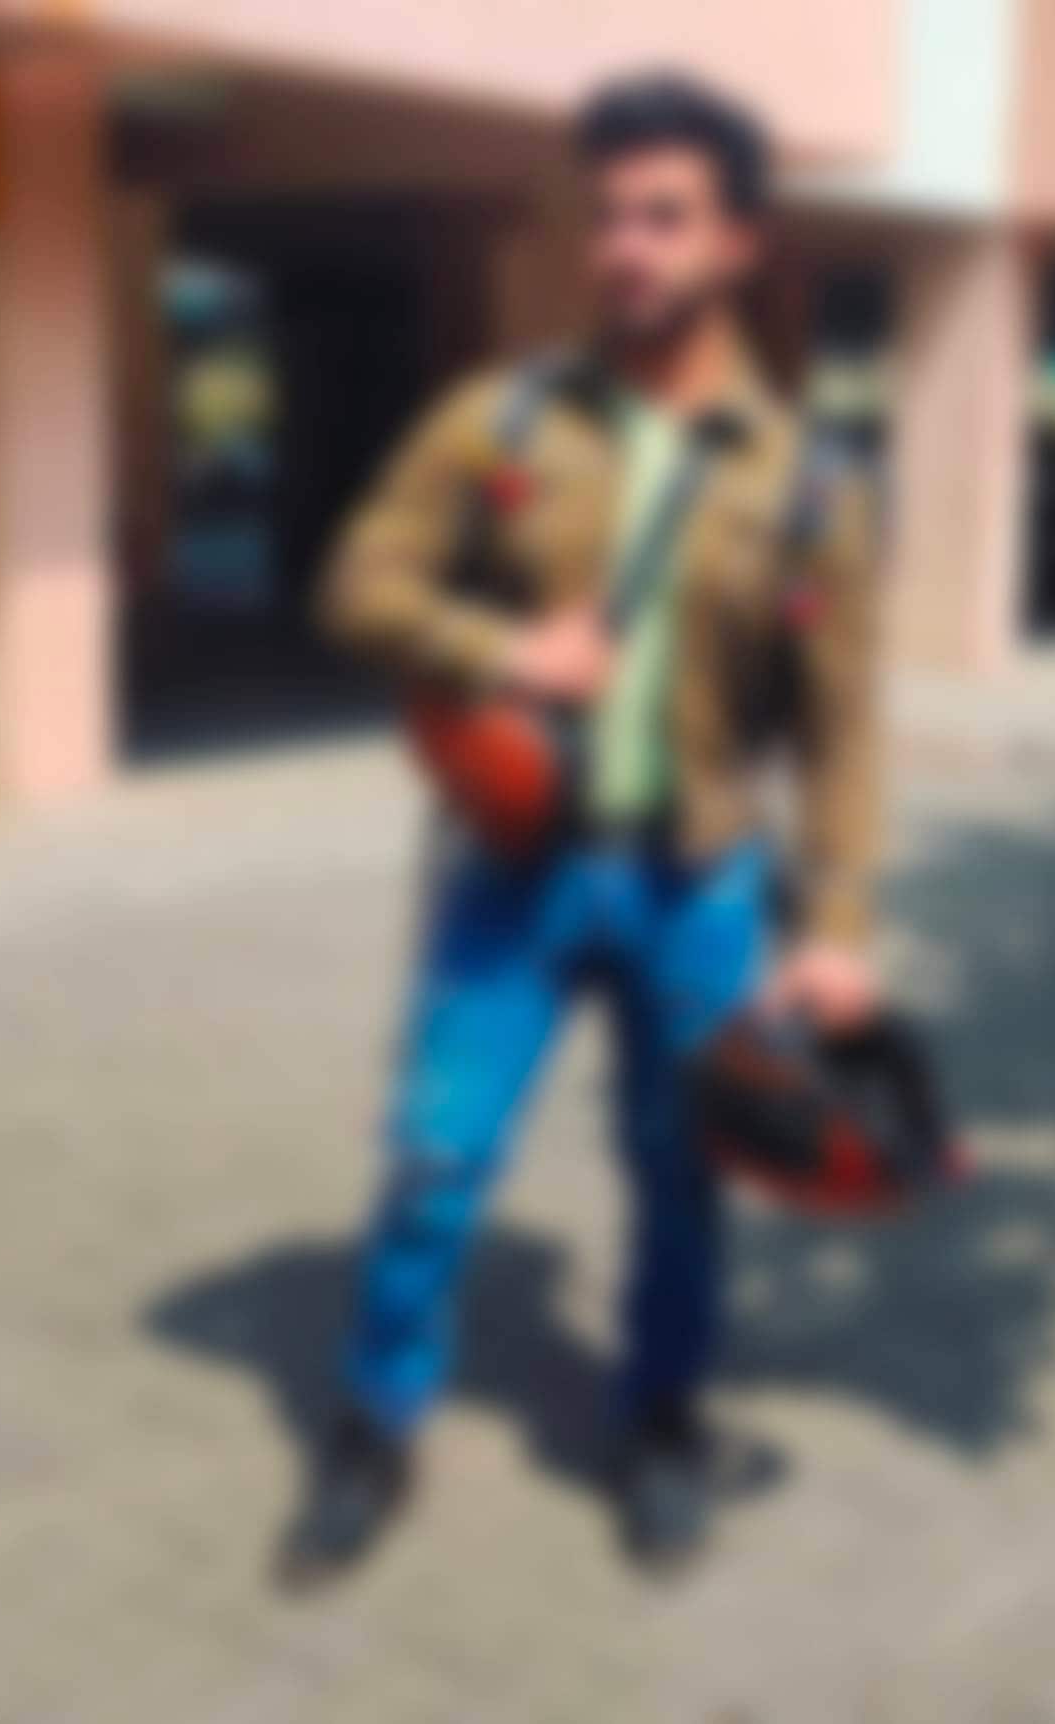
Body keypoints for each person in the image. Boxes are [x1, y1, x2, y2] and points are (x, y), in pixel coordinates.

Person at [279, 71, 882, 1587]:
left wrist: (837, 928)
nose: (626, 246)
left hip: (700, 887)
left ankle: (661, 1419)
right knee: (431, 1165)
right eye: (608, 215)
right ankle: (374, 1422)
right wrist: (501, 652)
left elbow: (841, 730)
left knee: (682, 1178)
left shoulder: (812, 482)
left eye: (666, 217)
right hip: (515, 870)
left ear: (740, 242)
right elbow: (355, 581)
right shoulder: (504, 417)